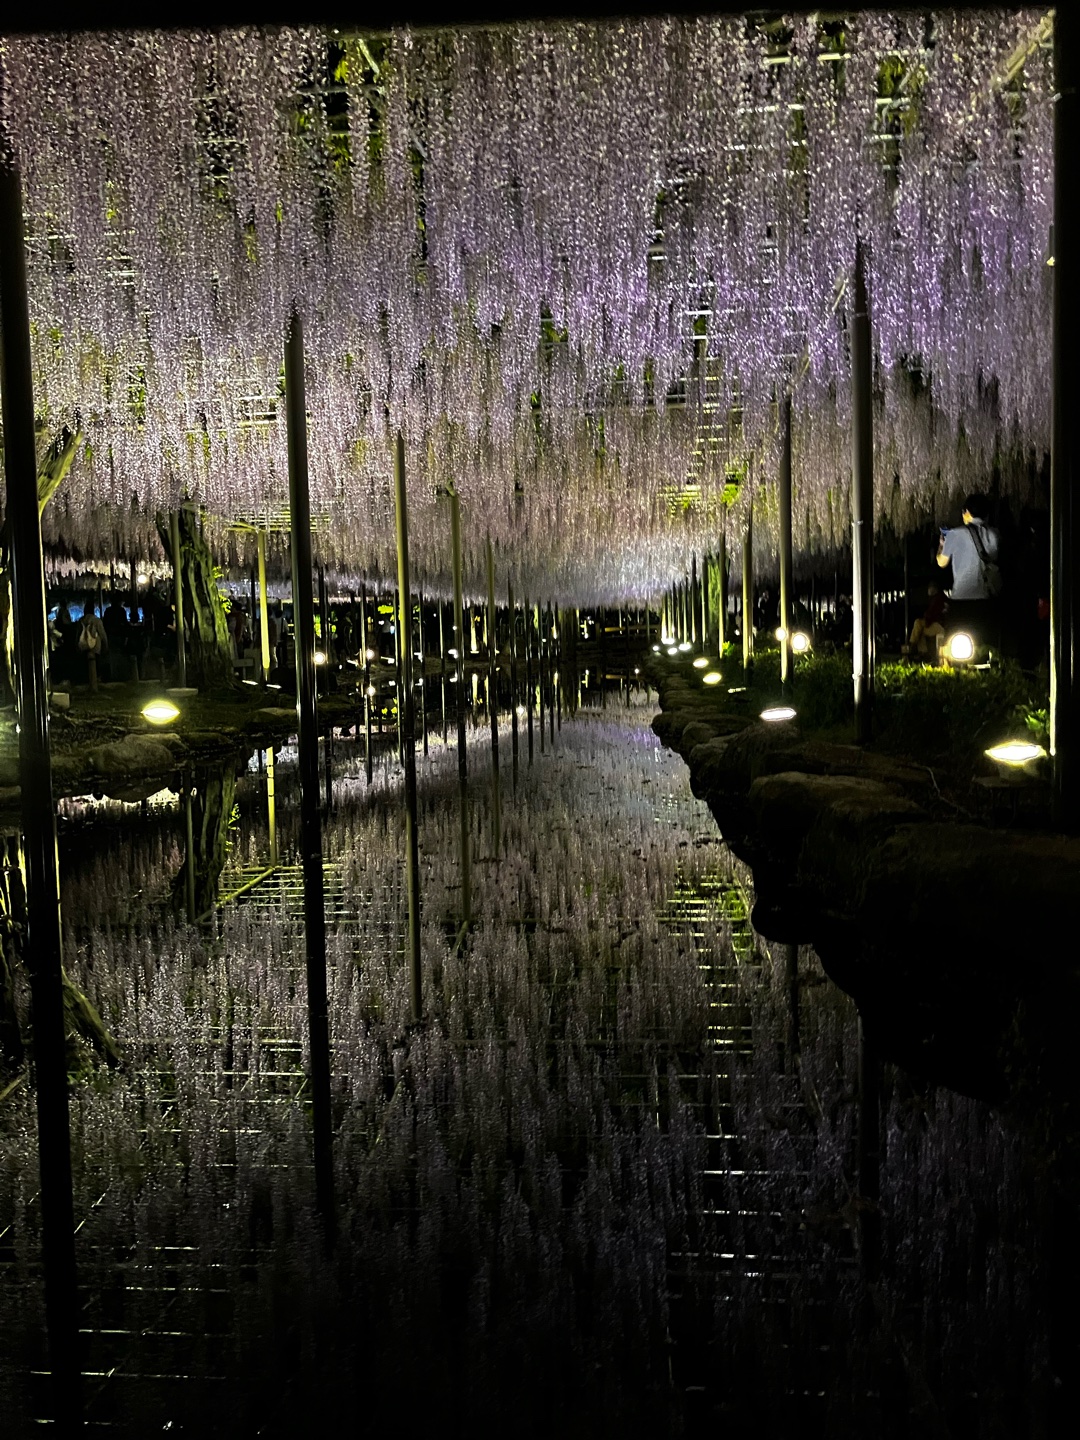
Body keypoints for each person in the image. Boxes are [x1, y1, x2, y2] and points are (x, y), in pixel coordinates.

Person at [936, 493, 1002, 646]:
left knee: (954, 642)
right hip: (985, 600)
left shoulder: (954, 534)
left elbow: (941, 562)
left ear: (966, 512)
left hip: (961, 599)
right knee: (983, 644)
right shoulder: (994, 535)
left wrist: (941, 545)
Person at [905, 580, 947, 661]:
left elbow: (932, 615)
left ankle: (912, 647)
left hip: (939, 626)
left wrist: (926, 619)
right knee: (920, 629)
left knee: (918, 623)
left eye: (930, 588)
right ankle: (923, 652)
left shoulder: (938, 598)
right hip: (936, 624)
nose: (928, 590)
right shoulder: (935, 598)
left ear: (934, 589)